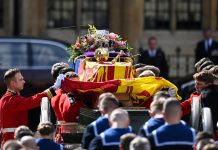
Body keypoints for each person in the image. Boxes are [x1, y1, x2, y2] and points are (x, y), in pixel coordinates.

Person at [0, 68, 64, 147]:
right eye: (21, 79)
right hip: (13, 141)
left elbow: (34, 98)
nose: (24, 81)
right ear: (13, 83)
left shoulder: (8, 98)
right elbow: (33, 100)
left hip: (12, 139)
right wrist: (54, 88)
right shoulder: (11, 99)